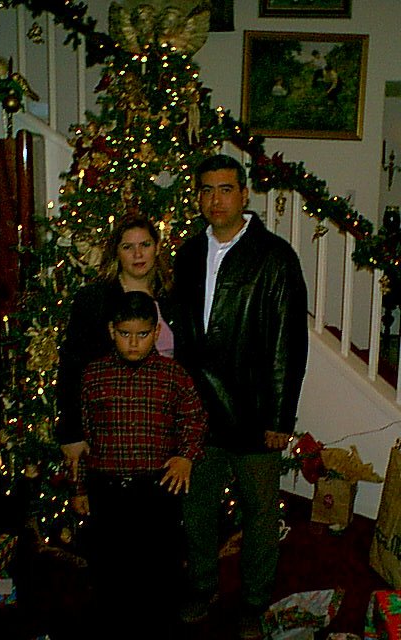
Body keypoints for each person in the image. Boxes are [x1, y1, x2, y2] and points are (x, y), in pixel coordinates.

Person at [173, 154, 308, 638]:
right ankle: (202, 587)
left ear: (244, 194)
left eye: (225, 189)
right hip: (199, 413)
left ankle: (254, 600)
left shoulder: (274, 257)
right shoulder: (187, 255)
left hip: (255, 412)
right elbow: (180, 337)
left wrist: (279, 417)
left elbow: (288, 345)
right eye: (206, 190)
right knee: (197, 511)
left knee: (259, 515)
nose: (215, 199)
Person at [74, 291, 207, 638]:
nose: (133, 343)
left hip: (156, 491)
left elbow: (194, 419)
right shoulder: (93, 376)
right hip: (108, 491)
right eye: (124, 334)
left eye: (143, 334)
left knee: (159, 570)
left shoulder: (174, 376)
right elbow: (84, 439)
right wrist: (80, 488)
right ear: (111, 330)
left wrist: (186, 455)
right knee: (110, 569)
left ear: (156, 331)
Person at [57, 213, 175, 477]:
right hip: (111, 433)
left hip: (163, 436)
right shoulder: (94, 300)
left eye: (145, 245)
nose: (138, 254)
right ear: (116, 253)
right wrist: (71, 433)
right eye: (128, 247)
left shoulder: (174, 297)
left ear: (157, 247)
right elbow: (72, 368)